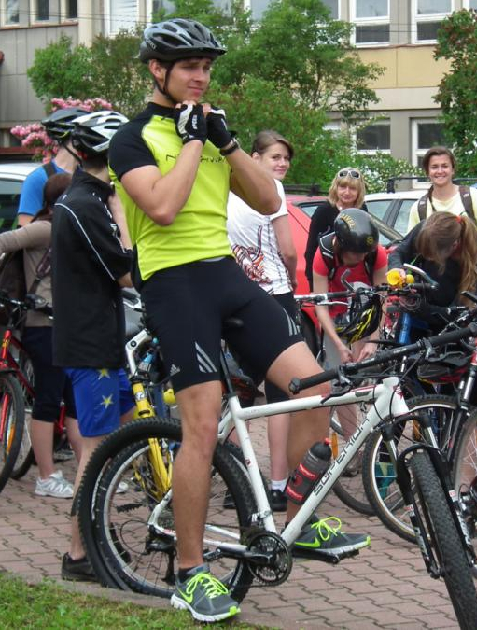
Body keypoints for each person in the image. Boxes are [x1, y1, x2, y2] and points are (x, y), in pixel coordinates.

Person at [108, 18, 369, 623]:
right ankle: (190, 572)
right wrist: (194, 139)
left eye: (207, 67)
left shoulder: (212, 130)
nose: (201, 76)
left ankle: (295, 515)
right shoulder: (132, 139)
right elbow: (165, 207)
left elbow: (267, 200)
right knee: (200, 428)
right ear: (157, 70)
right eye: (189, 67)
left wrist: (225, 144)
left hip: (225, 274)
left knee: (315, 388)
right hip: (174, 283)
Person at [50, 110, 136, 582]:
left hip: (103, 341)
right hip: (90, 347)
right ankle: (78, 552)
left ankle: (96, 530)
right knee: (95, 448)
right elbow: (124, 270)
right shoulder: (84, 204)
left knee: (119, 438)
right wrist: (122, 215)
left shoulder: (90, 198)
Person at [0, 173, 82, 499]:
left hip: (65, 327)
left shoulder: (70, 230)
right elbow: (0, 242)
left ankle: (90, 468)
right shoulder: (46, 229)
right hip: (42, 325)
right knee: (49, 400)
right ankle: (46, 476)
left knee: (74, 401)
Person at [227, 129, 298, 511]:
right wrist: (293, 277)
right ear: (254, 158)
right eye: (274, 157)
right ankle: (277, 485)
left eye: (286, 158)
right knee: (280, 396)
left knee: (243, 393)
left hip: (237, 296)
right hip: (274, 294)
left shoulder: (226, 188)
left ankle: (232, 478)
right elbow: (287, 249)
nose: (282, 164)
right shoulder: (271, 190)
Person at [313, 209, 387, 441]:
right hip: (336, 315)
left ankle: (375, 440)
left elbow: (381, 299)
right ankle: (349, 443)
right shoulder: (324, 254)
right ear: (341, 246)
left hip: (366, 312)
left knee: (365, 373)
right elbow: (320, 305)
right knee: (340, 379)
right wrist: (338, 344)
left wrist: (373, 340)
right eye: (357, 254)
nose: (363, 258)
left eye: (367, 252)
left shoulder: (376, 254)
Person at [387, 211, 477, 336]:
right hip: (415, 316)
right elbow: (398, 253)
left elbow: (457, 314)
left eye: (431, 256)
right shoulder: (424, 230)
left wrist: (420, 308)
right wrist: (396, 268)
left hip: (446, 330)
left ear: (454, 246)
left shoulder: (474, 262)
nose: (426, 257)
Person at [406, 146, 477, 252]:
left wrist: (458, 254)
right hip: (435, 269)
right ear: (427, 172)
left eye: (445, 166)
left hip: (471, 268)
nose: (440, 171)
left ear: (453, 170)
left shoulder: (472, 196)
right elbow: (412, 247)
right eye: (434, 167)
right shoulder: (419, 207)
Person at [17, 108, 87, 227]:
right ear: (74, 140)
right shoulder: (38, 179)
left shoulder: (86, 176)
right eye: (86, 137)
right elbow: (25, 230)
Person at [304, 167, 367, 289]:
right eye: (343, 187)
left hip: (357, 274)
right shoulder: (323, 211)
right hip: (328, 274)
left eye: (352, 188)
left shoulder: (362, 210)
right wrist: (312, 285)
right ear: (336, 188)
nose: (347, 192)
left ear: (359, 191)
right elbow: (311, 249)